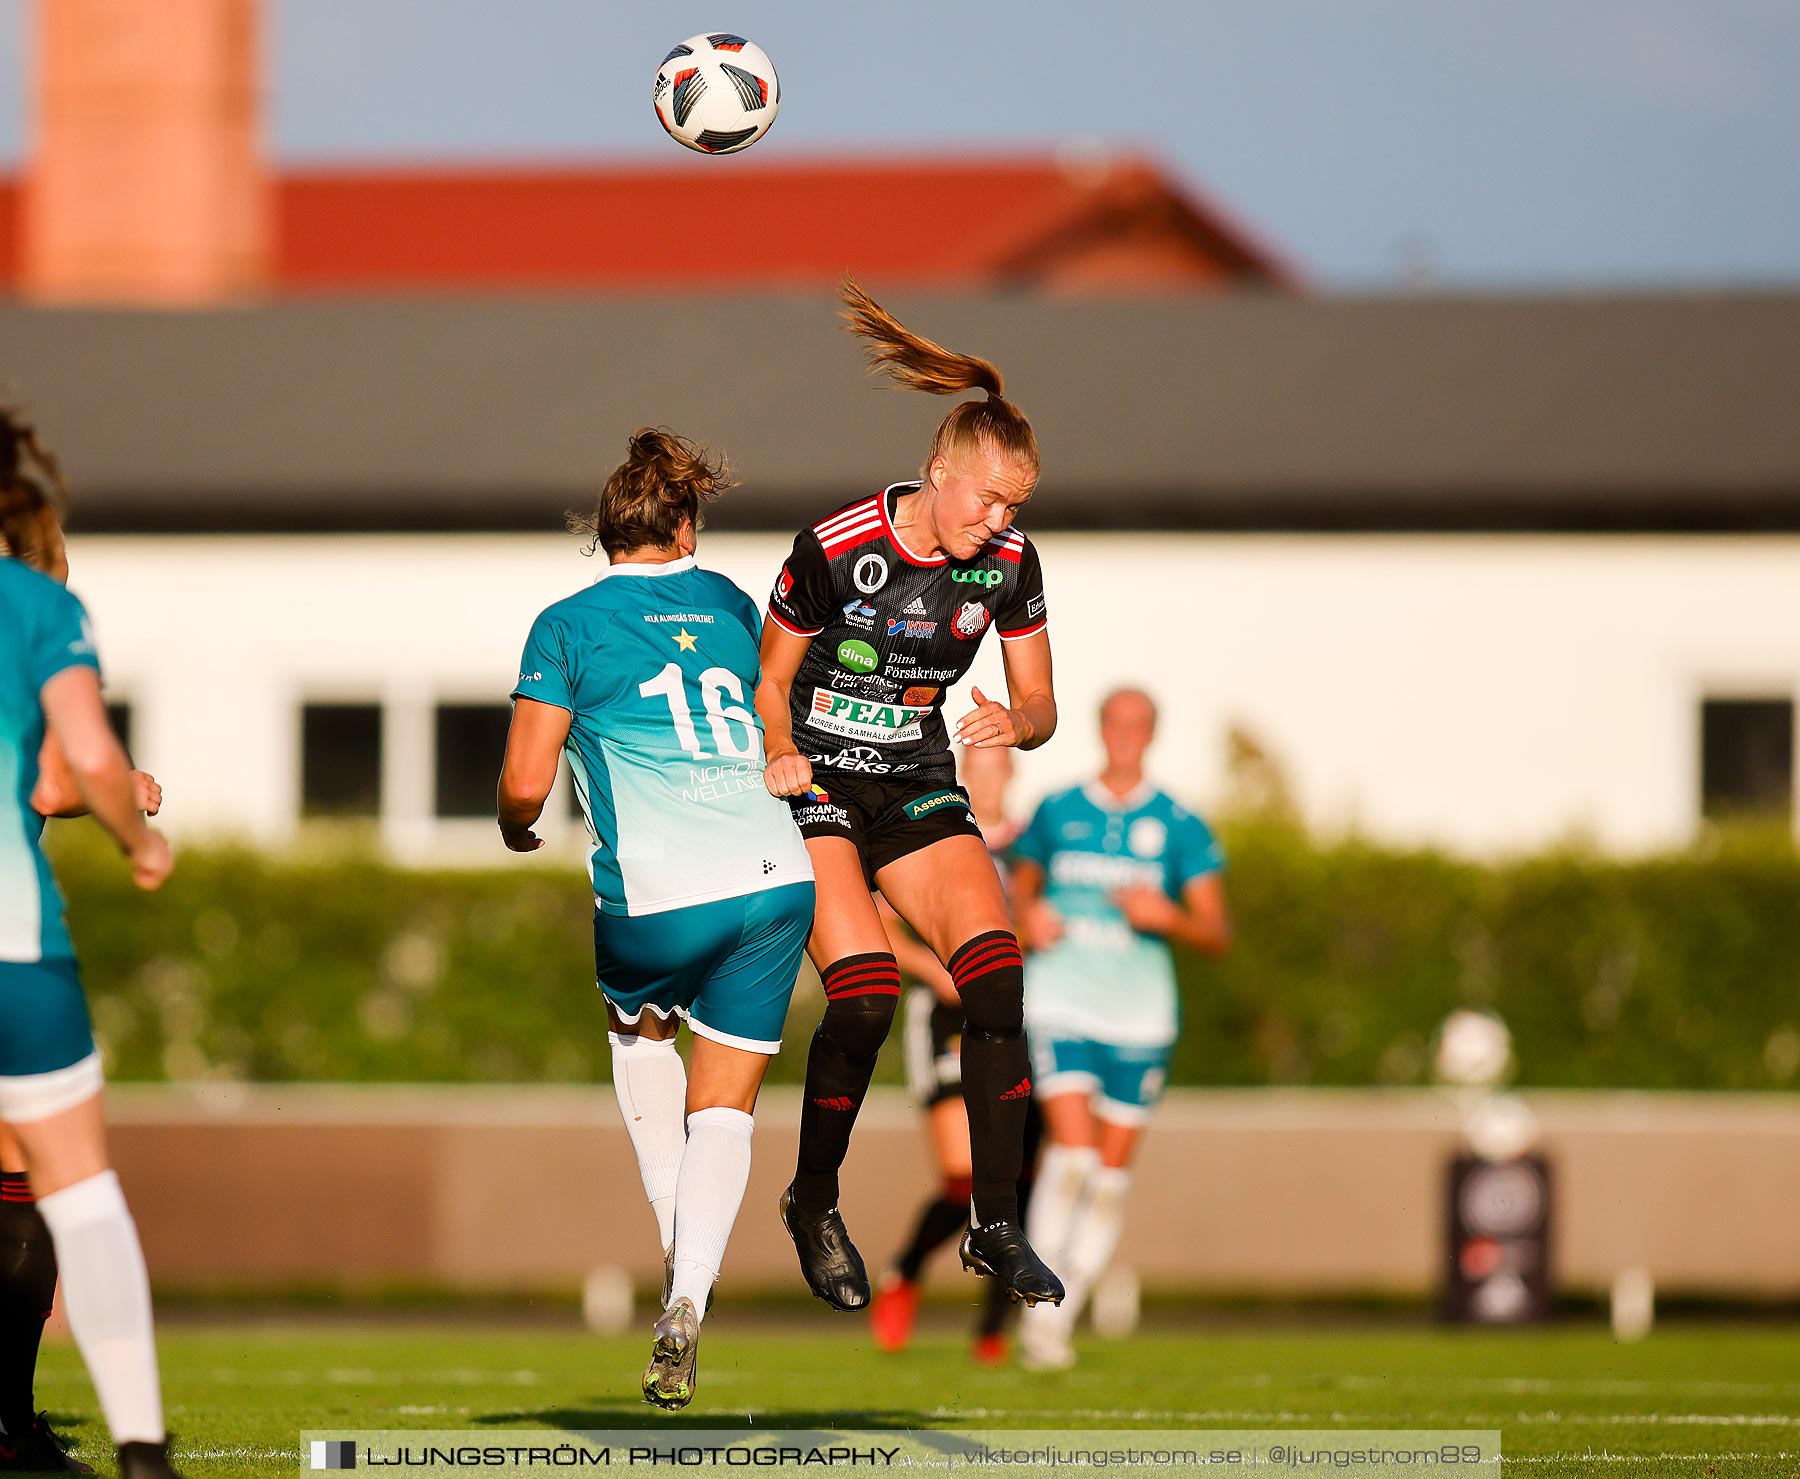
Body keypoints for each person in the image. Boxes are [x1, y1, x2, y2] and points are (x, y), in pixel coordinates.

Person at [757, 275, 1062, 1311]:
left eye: (1015, 503)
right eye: (987, 497)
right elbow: (771, 679)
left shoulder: (1011, 564)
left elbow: (1042, 703)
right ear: (938, 472)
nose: (1000, 518)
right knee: (868, 994)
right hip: (822, 784)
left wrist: (1015, 723)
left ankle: (996, 1224)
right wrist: (776, 750)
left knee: (996, 979)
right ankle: (813, 1198)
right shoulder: (837, 549)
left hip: (919, 782)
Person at [497, 429, 815, 1410]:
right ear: (687, 522)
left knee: (637, 1036)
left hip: (659, 890)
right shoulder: (726, 599)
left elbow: (524, 781)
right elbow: (772, 702)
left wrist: (516, 828)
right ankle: (688, 1298)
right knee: (725, 1106)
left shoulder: (565, 623)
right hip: (774, 877)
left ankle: (679, 1264)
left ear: (602, 531)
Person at [0, 408, 181, 1478]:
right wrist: (135, 829)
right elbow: (71, 771)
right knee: (67, 1183)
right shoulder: (40, 605)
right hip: (14, 938)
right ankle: (138, 1449)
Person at [1011, 688, 1231, 1370]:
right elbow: (1017, 889)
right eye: (1116, 722)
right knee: (1071, 1157)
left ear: (1152, 733)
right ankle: (1037, 1307)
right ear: (1101, 728)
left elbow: (1215, 930)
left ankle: (1062, 1316)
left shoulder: (1180, 822)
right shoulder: (1057, 808)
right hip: (1061, 1000)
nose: (1126, 735)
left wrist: (1168, 917)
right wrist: (1027, 916)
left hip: (1141, 1015)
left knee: (1108, 1180)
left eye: (1138, 724)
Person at [868, 745, 1040, 1363]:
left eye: (999, 761)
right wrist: (930, 969)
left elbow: (1040, 918)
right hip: (944, 1015)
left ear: (1013, 770)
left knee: (1022, 1177)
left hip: (1018, 1014)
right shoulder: (935, 823)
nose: (989, 773)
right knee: (964, 1175)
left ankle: (994, 1329)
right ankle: (906, 1272)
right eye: (979, 761)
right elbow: (881, 920)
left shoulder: (1032, 845)